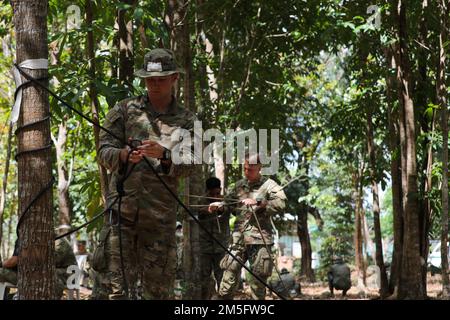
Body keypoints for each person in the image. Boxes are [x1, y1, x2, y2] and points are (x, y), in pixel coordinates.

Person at [98, 48, 197, 300]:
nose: (154, 84)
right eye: (150, 79)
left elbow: (193, 161)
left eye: (161, 79)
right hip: (121, 216)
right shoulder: (123, 109)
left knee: (159, 294)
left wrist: (164, 154)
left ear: (174, 78)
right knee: (116, 293)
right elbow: (103, 150)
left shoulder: (186, 120)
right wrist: (122, 155)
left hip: (159, 223)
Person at [213, 153, 287, 300]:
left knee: (257, 283)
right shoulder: (239, 185)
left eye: (251, 170)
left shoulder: (270, 185)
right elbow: (228, 205)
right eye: (245, 169)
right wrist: (219, 207)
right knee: (227, 277)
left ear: (260, 168)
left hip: (259, 240)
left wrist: (259, 202)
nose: (247, 172)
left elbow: (281, 204)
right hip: (238, 239)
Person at [0, 237, 77, 299]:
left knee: (41, 274)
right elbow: (15, 261)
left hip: (67, 274)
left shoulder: (58, 241)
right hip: (34, 274)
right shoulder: (25, 238)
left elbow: (46, 263)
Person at [198, 177, 230, 299]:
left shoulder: (225, 201)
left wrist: (221, 208)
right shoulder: (201, 201)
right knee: (204, 279)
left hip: (221, 247)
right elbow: (192, 212)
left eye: (217, 193)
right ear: (207, 191)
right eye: (212, 194)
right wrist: (208, 209)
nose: (215, 196)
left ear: (220, 190)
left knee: (223, 279)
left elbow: (229, 209)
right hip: (205, 248)